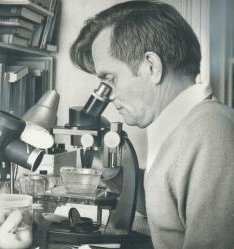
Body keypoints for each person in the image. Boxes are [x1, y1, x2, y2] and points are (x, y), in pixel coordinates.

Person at [70, 1, 234, 249]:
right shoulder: (185, 128)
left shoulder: (213, 136)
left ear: (152, 67)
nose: (107, 95)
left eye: (110, 79)